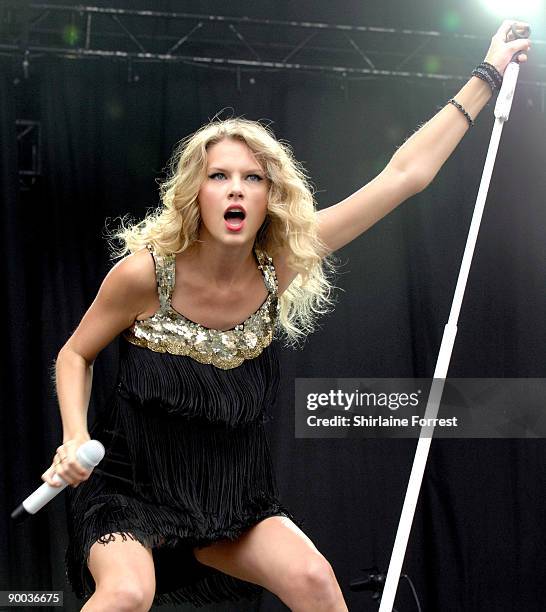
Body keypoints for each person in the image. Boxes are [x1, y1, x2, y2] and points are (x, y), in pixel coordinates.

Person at [41, 21, 530, 612]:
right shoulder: (144, 276)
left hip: (231, 503)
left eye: (252, 178)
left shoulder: (283, 265)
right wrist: (73, 435)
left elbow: (404, 177)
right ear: (197, 193)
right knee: (127, 592)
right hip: (130, 494)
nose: (236, 191)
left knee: (316, 583)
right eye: (219, 177)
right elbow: (75, 353)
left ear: (270, 196)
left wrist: (486, 74)